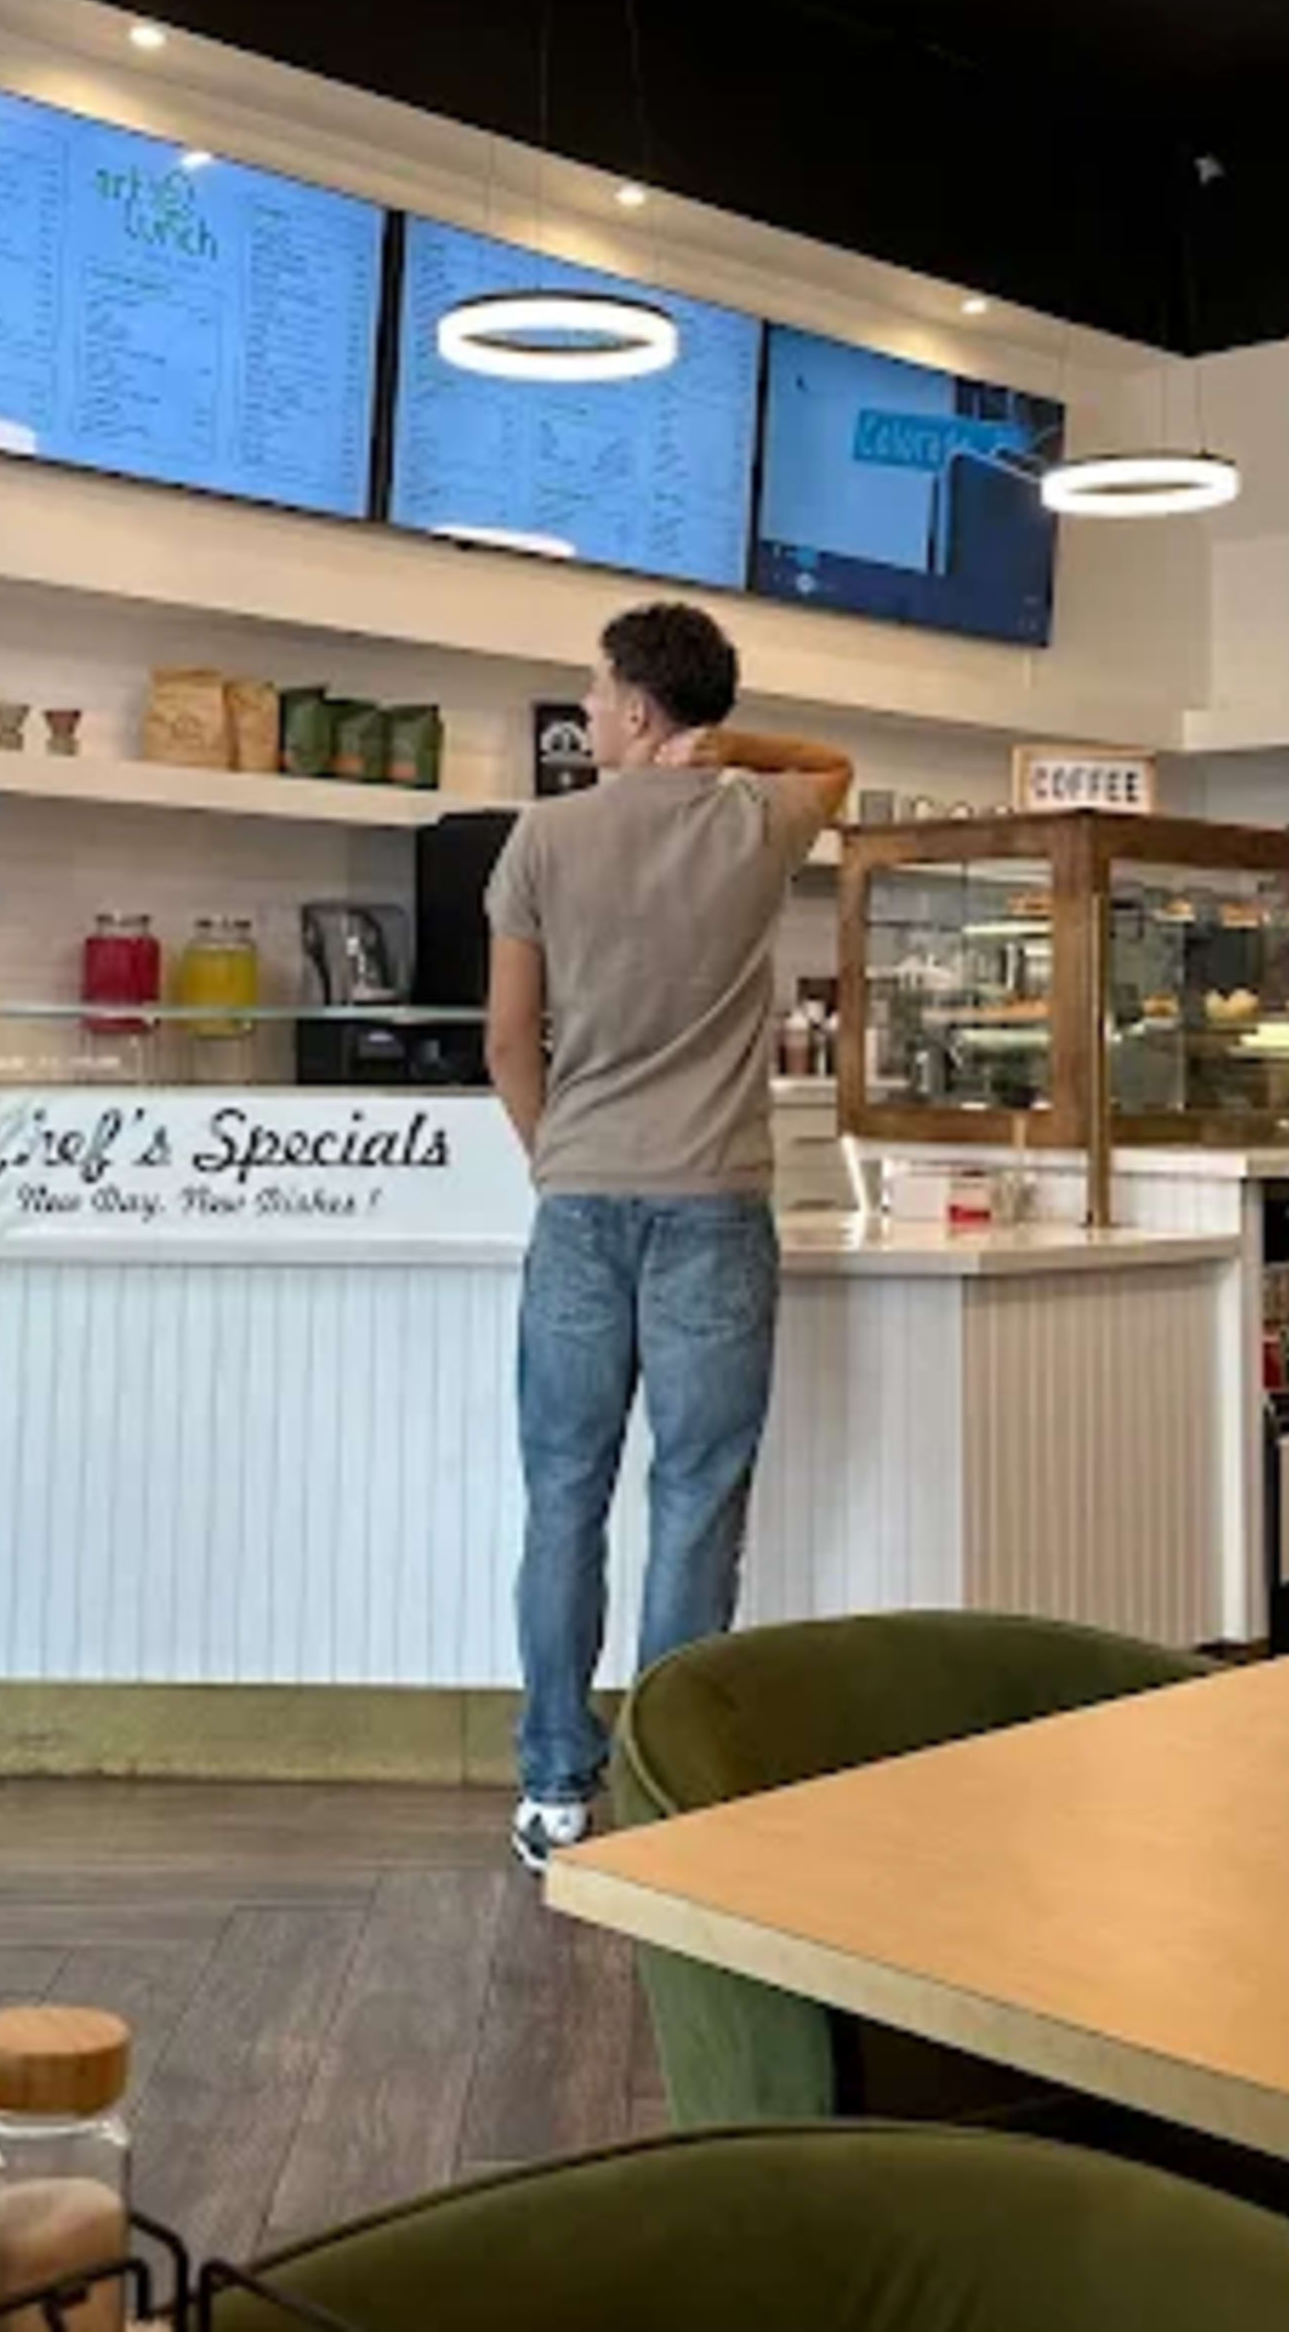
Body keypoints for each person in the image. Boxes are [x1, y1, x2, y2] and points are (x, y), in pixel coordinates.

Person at [482, 603, 854, 1872]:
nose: (586, 712)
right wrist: (721, 744)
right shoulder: (755, 818)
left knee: (562, 1492)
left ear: (638, 710)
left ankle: (553, 1787)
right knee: (695, 1499)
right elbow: (833, 767)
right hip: (714, 1207)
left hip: (580, 1204)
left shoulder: (542, 834)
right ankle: (671, 1786)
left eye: (597, 695)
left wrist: (560, 1157)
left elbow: (505, 1041)